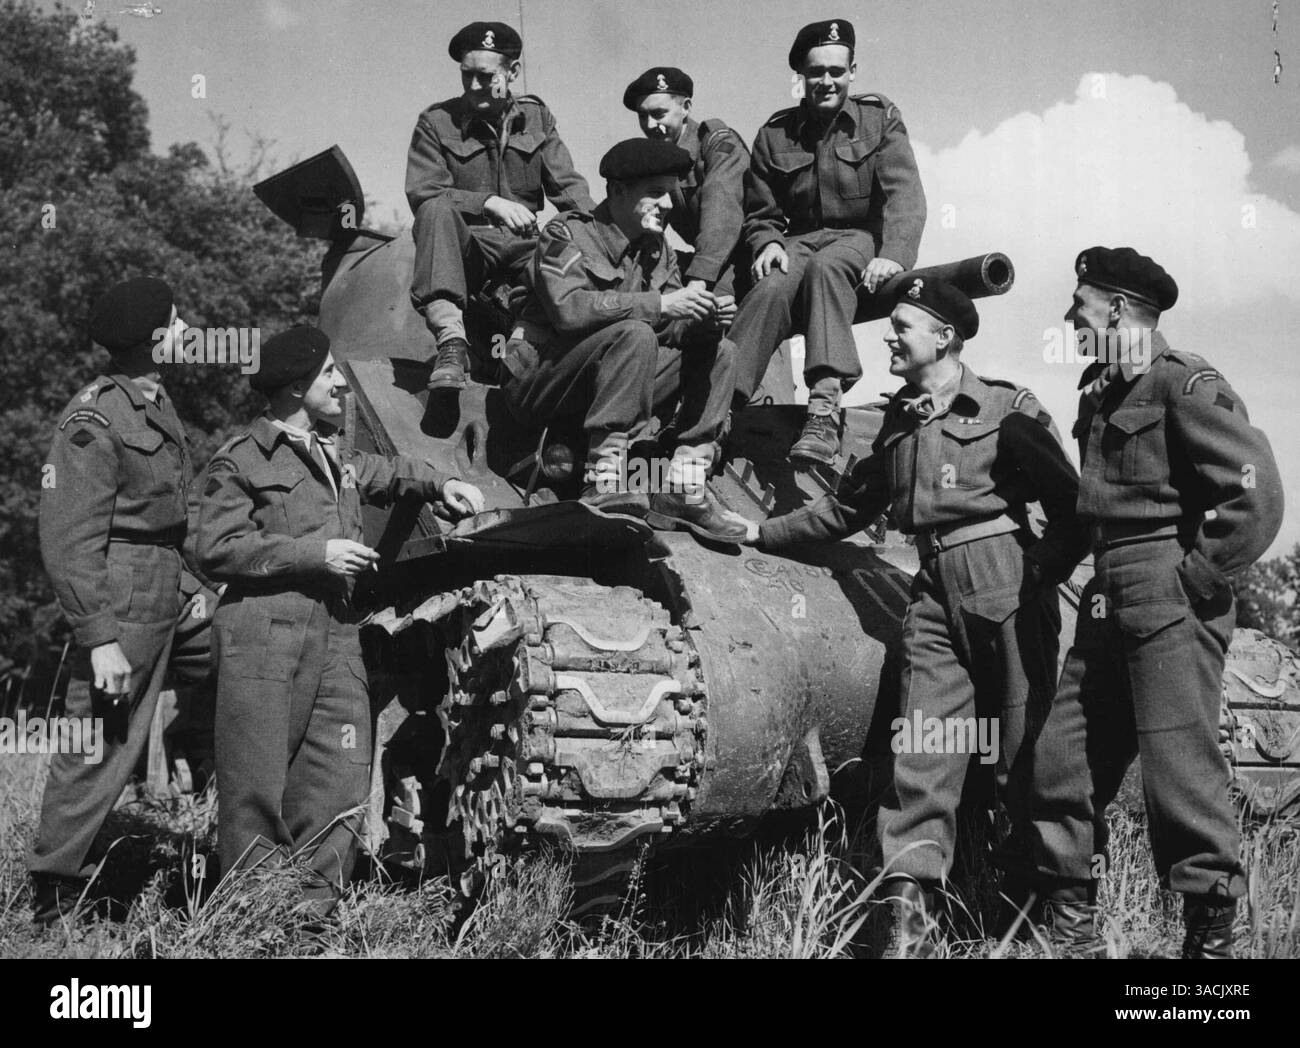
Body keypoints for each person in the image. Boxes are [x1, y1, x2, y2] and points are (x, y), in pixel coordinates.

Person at [746, 277, 1088, 957]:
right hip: (930, 592)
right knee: (923, 754)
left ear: (944, 337)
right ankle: (907, 928)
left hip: (1005, 578)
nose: (888, 336)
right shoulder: (901, 420)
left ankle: (1061, 919)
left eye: (902, 325)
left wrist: (1039, 571)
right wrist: (756, 533)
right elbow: (846, 510)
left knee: (1028, 754)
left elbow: (1072, 504)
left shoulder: (1005, 407)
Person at [1006, 248, 1283, 959]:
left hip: (1170, 589)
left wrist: (1192, 580)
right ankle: (1074, 934)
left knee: (1181, 778)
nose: (1070, 314)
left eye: (1081, 303)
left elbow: (1256, 496)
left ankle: (1211, 947)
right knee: (1059, 763)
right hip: (1105, 593)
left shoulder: (1184, 383)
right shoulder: (1096, 390)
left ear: (1120, 310)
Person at [195, 326, 484, 918]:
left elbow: (390, 472)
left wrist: (443, 482)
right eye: (329, 373)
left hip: (338, 632)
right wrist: (315, 555)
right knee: (256, 783)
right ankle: (254, 925)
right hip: (264, 629)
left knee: (338, 778)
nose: (339, 382)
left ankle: (308, 920)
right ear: (296, 386)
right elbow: (214, 546)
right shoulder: (242, 459)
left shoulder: (337, 455)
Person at [30, 277, 215, 925]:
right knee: (98, 739)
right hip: (124, 596)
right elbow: (69, 537)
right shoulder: (95, 415)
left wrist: (197, 589)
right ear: (154, 337)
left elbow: (169, 517)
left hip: (169, 582)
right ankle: (55, 895)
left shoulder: (153, 401)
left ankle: (201, 808)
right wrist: (98, 636)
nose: (188, 325)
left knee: (246, 655)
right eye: (176, 318)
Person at [501, 138, 750, 543]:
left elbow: (669, 327)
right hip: (539, 385)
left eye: (671, 193)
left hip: (610, 382)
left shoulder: (657, 249)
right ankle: (604, 479)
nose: (669, 203)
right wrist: (660, 304)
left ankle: (683, 486)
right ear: (617, 192)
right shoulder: (565, 233)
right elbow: (569, 311)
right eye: (656, 192)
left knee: (722, 350)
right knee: (635, 332)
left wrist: (703, 321)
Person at [730, 17, 926, 464]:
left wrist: (894, 255)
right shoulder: (775, 133)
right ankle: (723, 405)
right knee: (772, 285)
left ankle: (823, 407)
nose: (826, 81)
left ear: (852, 71)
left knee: (828, 268)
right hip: (796, 240)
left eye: (836, 71)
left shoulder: (879, 120)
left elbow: (905, 196)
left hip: (856, 239)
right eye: (816, 71)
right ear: (801, 75)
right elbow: (760, 210)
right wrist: (767, 243)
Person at [406, 20, 596, 392]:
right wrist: (488, 203)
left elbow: (570, 190)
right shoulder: (436, 122)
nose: (474, 86)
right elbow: (424, 192)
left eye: (485, 76)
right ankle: (451, 342)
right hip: (467, 251)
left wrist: (604, 233)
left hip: (526, 248)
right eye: (466, 76)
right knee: (434, 210)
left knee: (580, 251)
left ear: (513, 72)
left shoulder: (537, 118)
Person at [622, 66, 749, 298]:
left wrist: (698, 282)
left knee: (701, 309)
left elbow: (720, 217)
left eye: (659, 114)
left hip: (744, 261)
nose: (650, 125)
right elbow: (640, 223)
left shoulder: (717, 146)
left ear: (686, 108)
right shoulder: (656, 159)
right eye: (643, 115)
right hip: (707, 265)